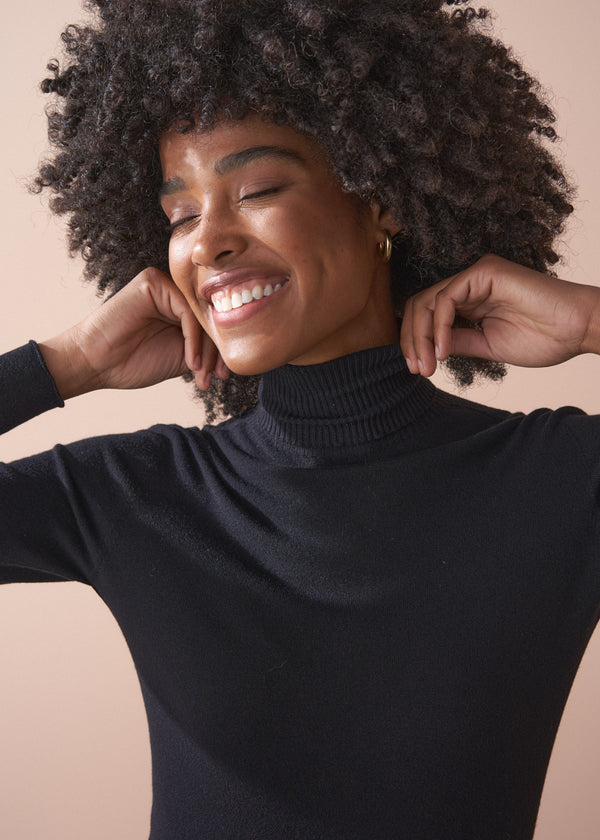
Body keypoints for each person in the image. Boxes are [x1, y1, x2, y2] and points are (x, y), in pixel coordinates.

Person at [2, 1, 600, 838]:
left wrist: (589, 322)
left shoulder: (559, 481)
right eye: (179, 214)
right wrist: (64, 364)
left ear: (381, 200)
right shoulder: (139, 495)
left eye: (257, 189)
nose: (207, 242)